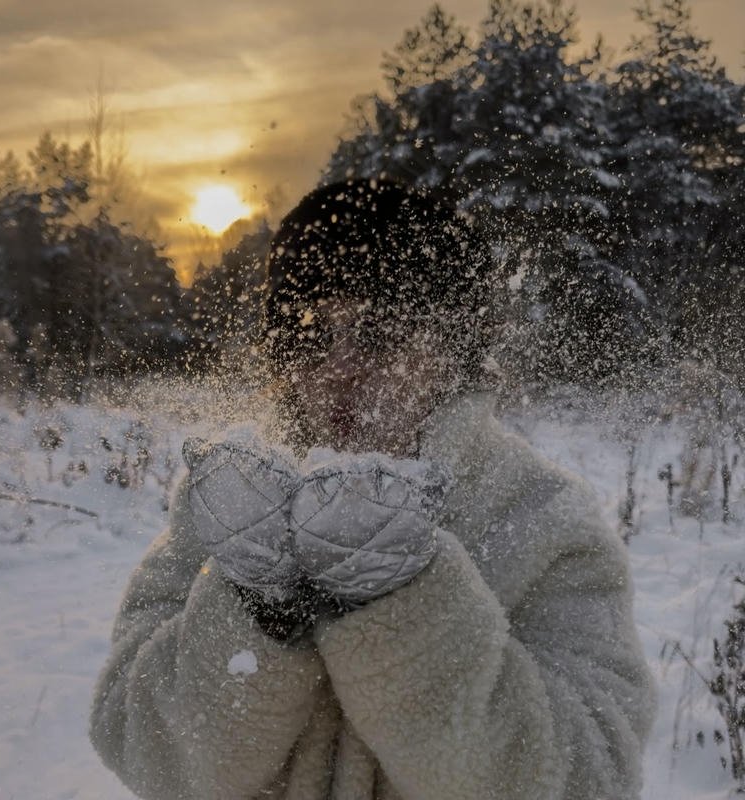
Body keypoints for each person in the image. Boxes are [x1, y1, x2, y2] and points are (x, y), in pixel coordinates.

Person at [90, 179, 655, 800]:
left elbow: (592, 774)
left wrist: (402, 601)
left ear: (455, 346)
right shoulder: (231, 507)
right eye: (309, 337)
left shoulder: (539, 518)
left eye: (381, 335)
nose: (341, 369)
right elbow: (140, 748)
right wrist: (255, 612)